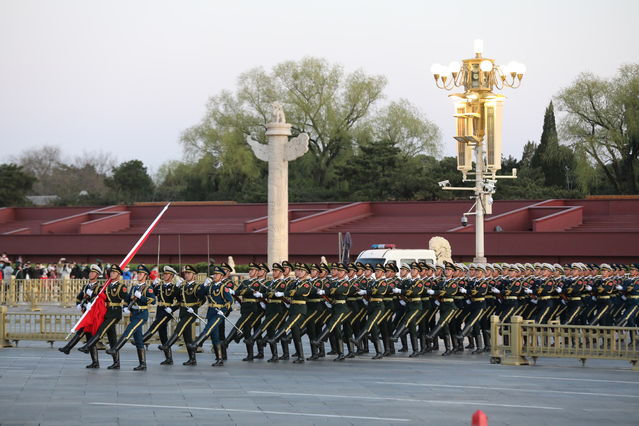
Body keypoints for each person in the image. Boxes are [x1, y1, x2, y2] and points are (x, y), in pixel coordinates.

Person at [77, 265, 128, 369]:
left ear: (118, 274)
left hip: (115, 313)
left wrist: (126, 307)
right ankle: (116, 362)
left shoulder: (121, 286)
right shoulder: (107, 286)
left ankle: (88, 346)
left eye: (114, 272)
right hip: (107, 312)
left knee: (101, 330)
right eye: (111, 272)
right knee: (112, 338)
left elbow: (127, 298)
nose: (111, 274)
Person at [106, 265, 156, 371]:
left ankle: (115, 348)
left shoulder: (148, 288)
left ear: (146, 276)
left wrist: (141, 297)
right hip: (133, 314)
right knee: (138, 340)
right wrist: (125, 307)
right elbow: (127, 299)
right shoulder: (134, 287)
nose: (138, 275)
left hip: (142, 314)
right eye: (138, 273)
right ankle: (142, 364)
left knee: (129, 330)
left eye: (141, 274)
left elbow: (152, 300)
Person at [188, 266, 234, 366]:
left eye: (217, 274)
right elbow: (200, 294)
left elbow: (230, 301)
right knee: (215, 337)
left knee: (208, 329)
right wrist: (204, 286)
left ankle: (196, 344)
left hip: (219, 313)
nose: (214, 276)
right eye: (214, 274)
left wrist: (223, 310)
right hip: (211, 312)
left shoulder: (223, 287)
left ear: (221, 276)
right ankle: (219, 359)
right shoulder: (210, 286)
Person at [58, 264, 104, 364]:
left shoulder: (99, 287)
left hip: (93, 315)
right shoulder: (86, 286)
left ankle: (68, 348)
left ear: (97, 275)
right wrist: (79, 304)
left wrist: (90, 303)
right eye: (90, 272)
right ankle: (95, 362)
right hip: (86, 313)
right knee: (89, 337)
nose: (90, 274)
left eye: (93, 273)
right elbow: (79, 297)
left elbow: (99, 300)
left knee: (81, 331)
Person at [158, 265, 203, 366]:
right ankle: (192, 359)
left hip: (191, 314)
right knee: (187, 337)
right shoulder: (182, 286)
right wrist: (172, 308)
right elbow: (178, 300)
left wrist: (196, 307)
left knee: (179, 328)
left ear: (194, 275)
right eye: (186, 273)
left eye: (189, 273)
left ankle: (167, 345)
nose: (186, 275)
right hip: (183, 312)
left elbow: (202, 299)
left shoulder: (197, 287)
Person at [142, 265, 180, 365]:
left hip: (167, 311)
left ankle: (143, 339)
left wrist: (172, 308)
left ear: (171, 276)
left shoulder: (174, 288)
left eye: (166, 274)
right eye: (164, 274)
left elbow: (180, 302)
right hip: (159, 309)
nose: (164, 275)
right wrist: (152, 285)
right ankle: (169, 358)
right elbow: (152, 294)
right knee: (162, 334)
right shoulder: (160, 285)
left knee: (156, 324)